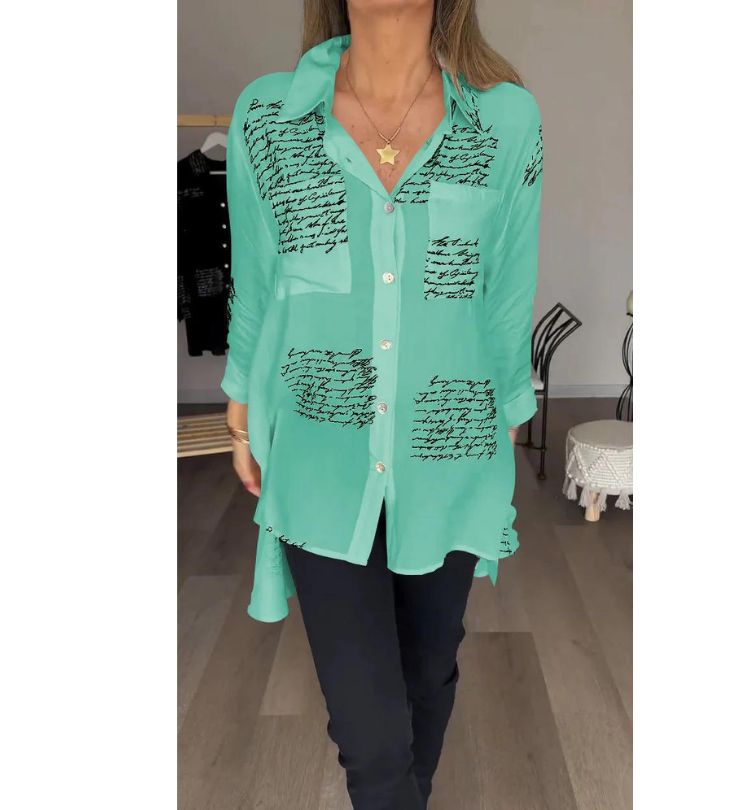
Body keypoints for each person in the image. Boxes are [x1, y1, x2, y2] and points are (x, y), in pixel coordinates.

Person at [223, 1, 544, 806]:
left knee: (426, 679)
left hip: (450, 454)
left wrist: (509, 416)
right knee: (370, 735)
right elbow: (255, 284)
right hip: (319, 456)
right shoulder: (270, 117)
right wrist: (239, 405)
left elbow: (507, 291)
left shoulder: (505, 121)